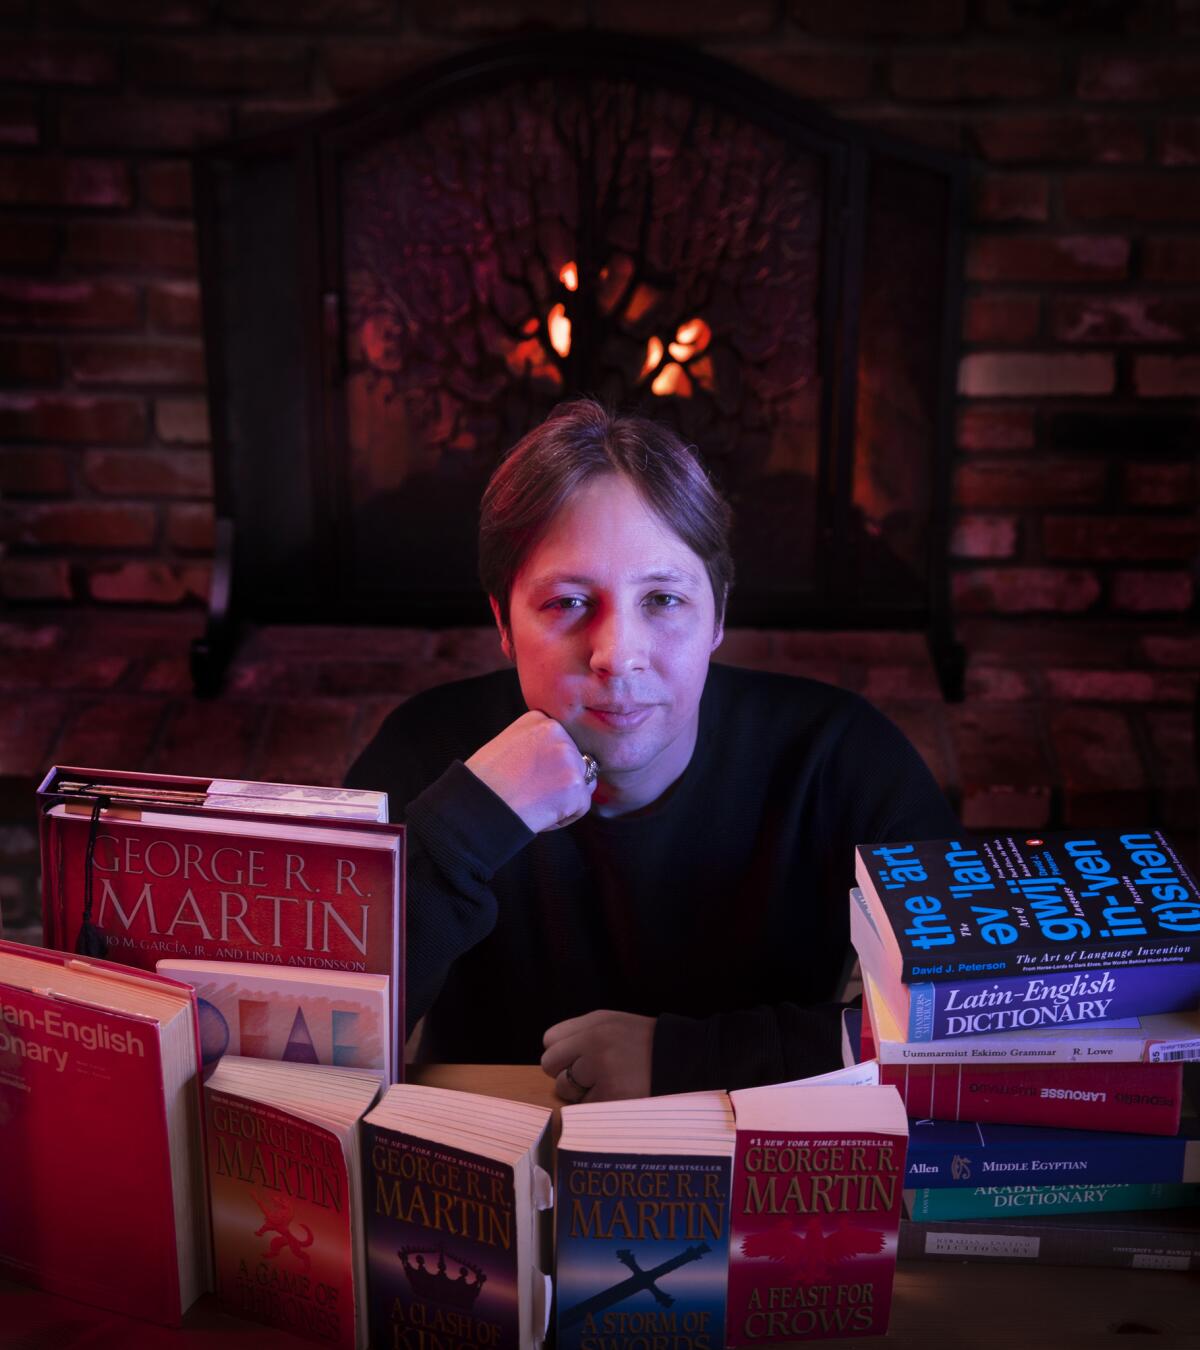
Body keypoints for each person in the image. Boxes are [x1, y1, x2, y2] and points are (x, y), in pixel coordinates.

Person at [345, 399, 958, 1101]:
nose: (617, 656)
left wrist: (690, 1060)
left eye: (663, 600)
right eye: (568, 602)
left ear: (719, 615)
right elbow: (304, 1036)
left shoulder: (840, 757)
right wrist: (469, 825)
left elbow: (974, 1026)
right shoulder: (427, 751)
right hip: (490, 1153)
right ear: (503, 623)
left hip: (764, 1170)